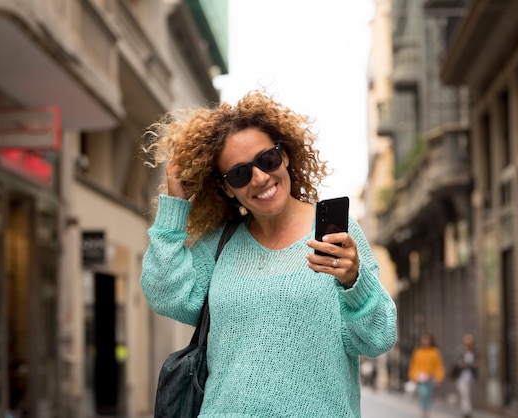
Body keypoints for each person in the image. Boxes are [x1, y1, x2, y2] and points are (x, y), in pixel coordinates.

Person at [140, 90, 397, 417]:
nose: (260, 177)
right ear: (225, 187)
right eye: (240, 173)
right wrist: (174, 207)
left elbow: (378, 338)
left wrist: (354, 282)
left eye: (267, 160)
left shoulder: (335, 233)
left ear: (285, 156)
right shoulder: (221, 243)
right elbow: (165, 294)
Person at [408, 333, 445, 418]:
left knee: (429, 394)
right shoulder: (418, 352)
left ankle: (427, 409)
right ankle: (423, 408)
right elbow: (414, 364)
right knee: (423, 393)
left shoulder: (434, 352)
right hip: (420, 377)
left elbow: (438, 365)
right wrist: (413, 375)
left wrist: (439, 377)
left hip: (430, 376)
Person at [454, 334, 478, 418]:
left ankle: (466, 410)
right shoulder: (460, 351)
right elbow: (456, 362)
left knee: (468, 394)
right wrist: (462, 364)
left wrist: (473, 364)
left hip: (470, 377)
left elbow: (476, 364)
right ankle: (466, 412)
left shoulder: (474, 352)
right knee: (465, 394)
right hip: (461, 376)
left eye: (469, 341)